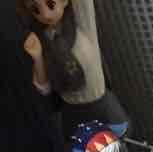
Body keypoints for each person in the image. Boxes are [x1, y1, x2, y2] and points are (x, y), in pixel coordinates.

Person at [16, 0, 128, 140]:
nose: (45, 14)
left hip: (100, 103)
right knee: (85, 149)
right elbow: (45, 88)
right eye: (36, 10)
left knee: (119, 143)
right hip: (73, 111)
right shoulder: (43, 41)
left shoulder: (82, 25)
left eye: (51, 4)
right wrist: (37, 57)